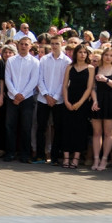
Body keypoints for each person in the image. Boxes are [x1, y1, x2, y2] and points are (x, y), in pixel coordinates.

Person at [35, 35, 70, 164]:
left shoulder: (67, 61)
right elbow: (39, 78)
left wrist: (55, 97)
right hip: (43, 98)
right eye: (53, 43)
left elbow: (64, 82)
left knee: (57, 128)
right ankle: (40, 155)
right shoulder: (44, 59)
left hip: (58, 100)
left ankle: (55, 157)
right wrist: (46, 95)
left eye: (57, 43)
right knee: (41, 128)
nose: (54, 46)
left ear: (62, 44)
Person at [4, 37, 39, 163]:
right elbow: (7, 78)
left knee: (26, 127)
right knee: (10, 126)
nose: (23, 46)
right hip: (12, 98)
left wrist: (22, 95)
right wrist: (15, 94)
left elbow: (34, 81)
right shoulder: (11, 61)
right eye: (22, 44)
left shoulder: (35, 62)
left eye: (26, 44)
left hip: (27, 98)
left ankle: (25, 154)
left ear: (30, 46)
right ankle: (10, 152)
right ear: (18, 46)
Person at [59, 43, 94, 169]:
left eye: (85, 52)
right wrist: (66, 101)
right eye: (80, 52)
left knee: (80, 130)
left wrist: (80, 102)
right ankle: (66, 157)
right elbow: (64, 85)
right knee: (67, 129)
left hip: (82, 102)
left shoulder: (90, 68)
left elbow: (89, 88)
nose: (82, 54)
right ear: (76, 54)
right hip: (69, 99)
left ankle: (76, 158)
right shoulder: (70, 67)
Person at [90, 47, 112, 170]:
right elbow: (92, 87)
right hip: (97, 100)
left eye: (111, 55)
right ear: (102, 56)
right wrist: (94, 101)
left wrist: (106, 79)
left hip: (110, 100)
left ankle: (104, 159)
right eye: (106, 55)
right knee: (96, 132)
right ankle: (96, 159)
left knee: (108, 132)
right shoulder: (96, 68)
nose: (108, 57)